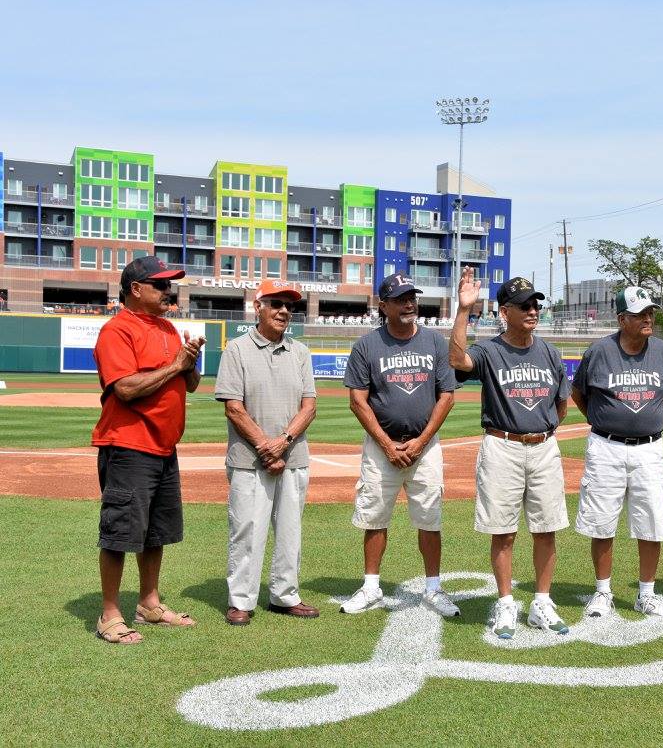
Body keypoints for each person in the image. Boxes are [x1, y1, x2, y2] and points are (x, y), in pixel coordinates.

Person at [449, 269, 571, 639]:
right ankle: (505, 603)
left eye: (535, 304)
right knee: (502, 532)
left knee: (546, 529)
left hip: (544, 446)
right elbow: (457, 362)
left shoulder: (549, 351)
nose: (532, 310)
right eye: (524, 305)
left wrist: (542, 430)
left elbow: (561, 404)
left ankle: (541, 602)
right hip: (502, 445)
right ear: (505, 312)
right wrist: (463, 310)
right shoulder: (489, 349)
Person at [91, 256, 203, 644]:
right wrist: (175, 365)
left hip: (163, 447)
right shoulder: (117, 331)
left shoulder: (169, 329)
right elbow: (125, 389)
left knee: (156, 532)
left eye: (170, 285)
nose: (168, 292)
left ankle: (149, 603)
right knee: (120, 532)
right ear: (136, 289)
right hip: (127, 446)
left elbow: (191, 385)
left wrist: (189, 362)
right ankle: (109, 614)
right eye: (160, 285)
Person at [339, 273, 460, 617]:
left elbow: (446, 397)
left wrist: (421, 441)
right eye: (401, 298)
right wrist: (387, 444)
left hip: (426, 446)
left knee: (430, 518)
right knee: (375, 516)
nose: (409, 304)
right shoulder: (367, 345)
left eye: (412, 297)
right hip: (381, 448)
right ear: (384, 305)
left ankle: (434, 589)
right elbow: (358, 401)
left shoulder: (435, 343)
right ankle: (371, 586)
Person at [571, 287, 663, 620]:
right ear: (622, 319)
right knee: (601, 521)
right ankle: (603, 591)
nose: (648, 318)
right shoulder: (599, 351)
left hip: (649, 448)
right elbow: (579, 394)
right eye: (639, 314)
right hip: (606, 446)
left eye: (650, 312)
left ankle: (646, 594)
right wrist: (603, 420)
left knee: (652, 520)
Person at [214, 280, 318, 625]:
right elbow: (234, 408)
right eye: (275, 304)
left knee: (290, 532)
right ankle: (241, 600)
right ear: (257, 307)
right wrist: (266, 447)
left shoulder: (300, 352)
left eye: (289, 306)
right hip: (249, 459)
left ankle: (285, 595)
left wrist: (283, 442)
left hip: (293, 455)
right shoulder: (237, 350)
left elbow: (309, 406)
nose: (283, 311)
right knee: (248, 529)